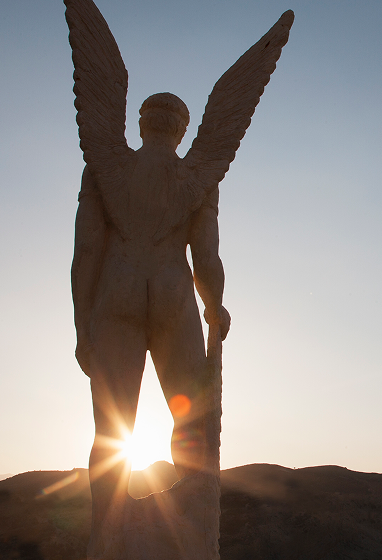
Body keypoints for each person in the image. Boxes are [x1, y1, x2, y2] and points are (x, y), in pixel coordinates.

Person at [71, 92, 231, 555]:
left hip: (115, 294)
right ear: (182, 130)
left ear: (141, 126)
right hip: (171, 297)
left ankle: (106, 539)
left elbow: (86, 254)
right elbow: (206, 256)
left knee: (110, 433)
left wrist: (83, 324)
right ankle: (195, 537)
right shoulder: (199, 178)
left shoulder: (104, 170)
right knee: (194, 423)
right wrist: (214, 306)